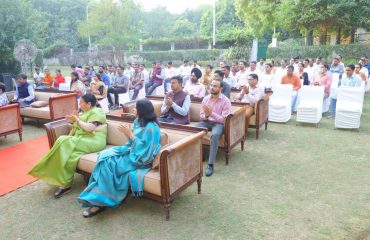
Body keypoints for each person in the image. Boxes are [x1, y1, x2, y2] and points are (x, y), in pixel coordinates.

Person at [77, 99, 161, 217]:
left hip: (141, 159)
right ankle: (97, 196)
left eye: (136, 108)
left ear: (142, 110)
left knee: (110, 163)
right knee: (104, 157)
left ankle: (101, 202)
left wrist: (130, 134)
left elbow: (147, 150)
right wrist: (129, 136)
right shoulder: (138, 121)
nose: (133, 110)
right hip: (131, 152)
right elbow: (132, 142)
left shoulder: (153, 127)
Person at [29, 94, 107, 198]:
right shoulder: (84, 112)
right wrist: (73, 121)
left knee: (62, 140)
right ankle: (65, 184)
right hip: (84, 139)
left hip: (94, 140)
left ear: (88, 104)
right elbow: (79, 127)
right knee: (71, 157)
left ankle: (48, 170)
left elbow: (89, 128)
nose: (80, 104)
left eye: (81, 102)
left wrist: (77, 120)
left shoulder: (97, 111)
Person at [195, 80, 231, 177]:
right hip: (207, 122)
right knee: (193, 129)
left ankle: (210, 164)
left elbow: (224, 120)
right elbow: (201, 115)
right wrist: (206, 116)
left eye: (215, 86)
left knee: (215, 135)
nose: (212, 87)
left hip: (218, 124)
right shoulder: (206, 99)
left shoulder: (226, 101)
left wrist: (211, 114)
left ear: (221, 88)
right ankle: (200, 155)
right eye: (211, 85)